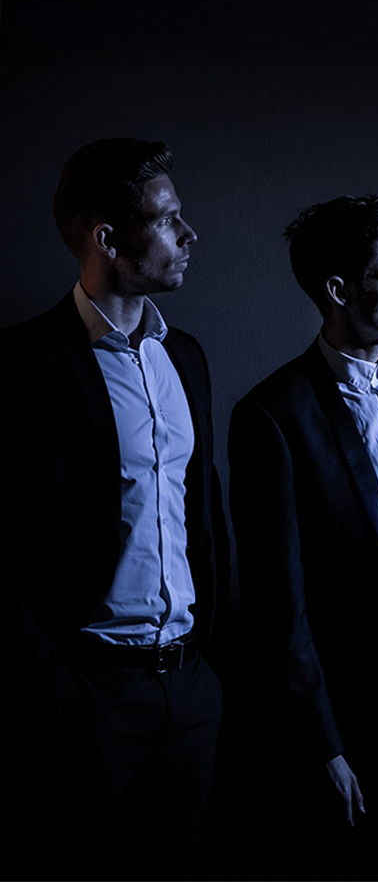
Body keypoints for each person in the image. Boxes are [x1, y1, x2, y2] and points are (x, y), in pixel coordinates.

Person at [0, 138, 229, 872]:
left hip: (190, 689)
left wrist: (210, 669)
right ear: (105, 236)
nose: (188, 234)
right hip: (88, 697)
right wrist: (56, 691)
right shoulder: (24, 365)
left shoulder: (183, 356)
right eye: (168, 220)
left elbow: (200, 513)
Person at [227, 194, 378, 864]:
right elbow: (281, 603)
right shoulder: (272, 416)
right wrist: (322, 746)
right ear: (338, 289)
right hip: (353, 716)